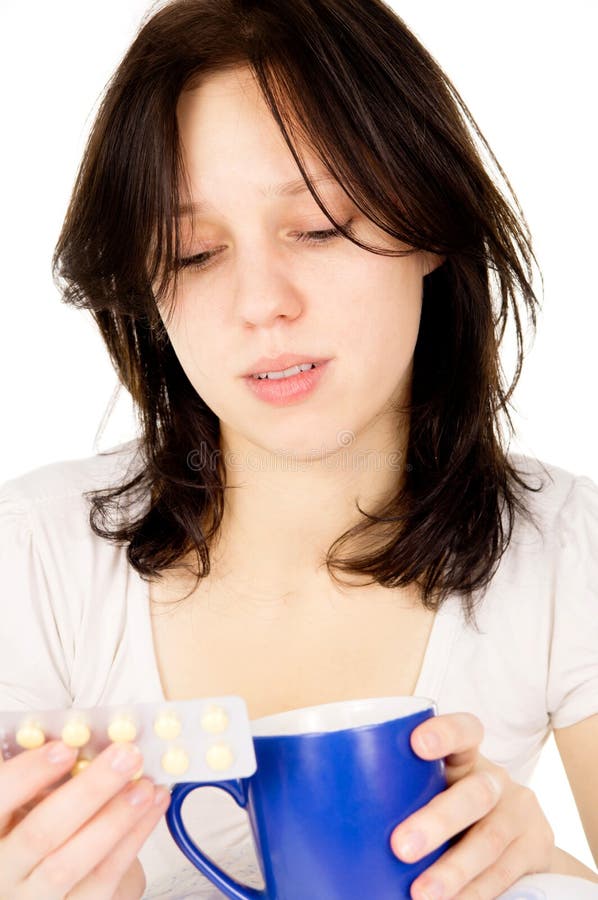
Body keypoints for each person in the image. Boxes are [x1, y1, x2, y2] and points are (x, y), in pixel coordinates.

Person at [1, 0, 597, 897]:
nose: (260, 303)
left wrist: (536, 863)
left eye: (318, 225)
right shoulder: (31, 559)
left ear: (428, 221)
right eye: (195, 251)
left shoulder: (564, 554)